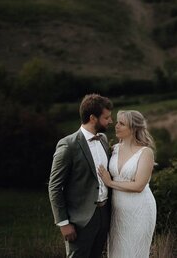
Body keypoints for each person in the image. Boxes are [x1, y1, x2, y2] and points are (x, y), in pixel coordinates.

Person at [48, 94, 113, 258]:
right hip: (80, 220)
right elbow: (54, 187)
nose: (110, 121)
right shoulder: (68, 145)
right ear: (92, 118)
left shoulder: (104, 140)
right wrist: (63, 223)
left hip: (104, 214)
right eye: (106, 117)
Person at [98, 110, 157, 258]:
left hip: (140, 210)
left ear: (134, 128)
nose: (116, 126)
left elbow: (139, 186)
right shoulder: (115, 149)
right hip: (117, 211)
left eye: (121, 123)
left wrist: (110, 182)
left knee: (135, 253)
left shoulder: (145, 152)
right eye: (117, 122)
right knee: (117, 252)